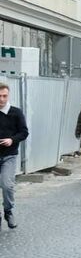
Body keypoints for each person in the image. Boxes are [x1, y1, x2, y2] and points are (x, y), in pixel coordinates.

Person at [0, 82, 29, 230]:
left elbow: (24, 132)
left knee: (7, 185)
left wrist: (12, 140)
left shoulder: (16, 112)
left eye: (4, 96)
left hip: (9, 155)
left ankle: (8, 211)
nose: (2, 99)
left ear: (8, 95)